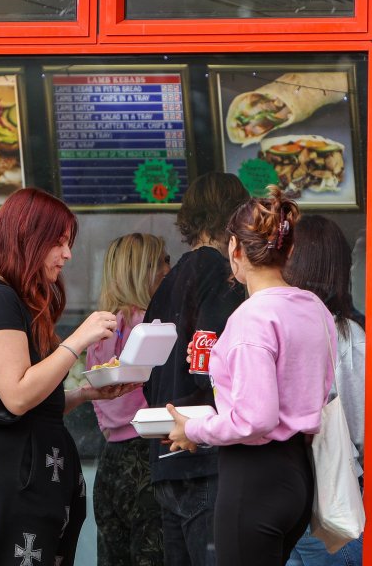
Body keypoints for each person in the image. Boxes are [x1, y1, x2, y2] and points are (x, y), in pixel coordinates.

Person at [0, 187, 140, 566]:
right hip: (12, 477)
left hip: (32, 474)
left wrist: (86, 394)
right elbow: (17, 396)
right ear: (28, 238)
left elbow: (32, 405)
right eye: (58, 243)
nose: (67, 254)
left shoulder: (11, 297)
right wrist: (77, 340)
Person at [167, 187, 336, 566]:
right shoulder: (314, 309)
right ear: (289, 251)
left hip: (253, 477)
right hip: (297, 473)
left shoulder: (251, 318)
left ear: (235, 250)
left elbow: (255, 419)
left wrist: (194, 429)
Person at [142, 172, 250, 566]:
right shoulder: (219, 275)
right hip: (202, 456)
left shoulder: (168, 282)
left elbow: (147, 373)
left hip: (165, 459)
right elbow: (211, 367)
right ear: (233, 217)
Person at [283, 215, 365, 566]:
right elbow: (365, 429)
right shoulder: (348, 336)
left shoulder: (275, 327)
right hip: (333, 494)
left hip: (282, 490)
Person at [86, 233, 170, 566]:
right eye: (163, 260)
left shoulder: (101, 326)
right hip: (148, 457)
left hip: (109, 462)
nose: (168, 268)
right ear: (145, 270)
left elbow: (96, 395)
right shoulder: (154, 325)